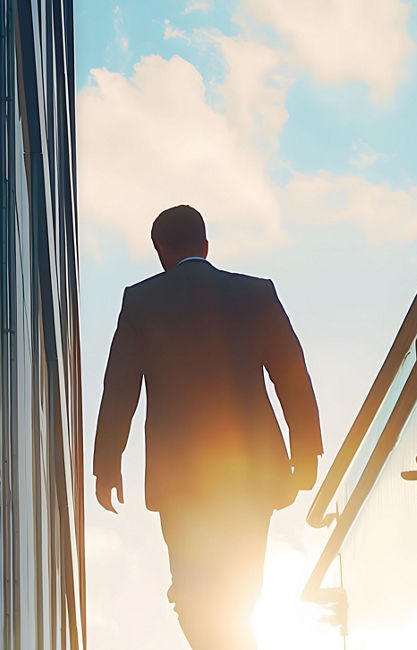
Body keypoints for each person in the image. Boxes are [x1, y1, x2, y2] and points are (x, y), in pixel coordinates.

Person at [93, 204, 323, 650]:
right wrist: (306, 451)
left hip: (179, 478)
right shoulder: (256, 293)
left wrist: (107, 464)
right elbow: (292, 372)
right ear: (205, 245)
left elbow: (118, 386)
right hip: (251, 472)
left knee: (193, 592)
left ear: (160, 252)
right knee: (241, 588)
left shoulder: (140, 301)